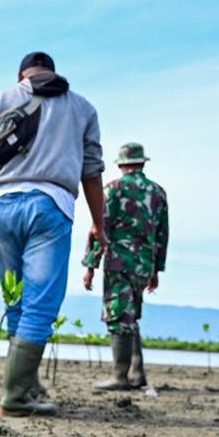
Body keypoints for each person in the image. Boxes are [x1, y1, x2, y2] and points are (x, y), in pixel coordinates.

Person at [0, 50, 104, 416]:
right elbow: (91, 172)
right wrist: (99, 225)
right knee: (40, 305)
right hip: (51, 203)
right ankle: (14, 397)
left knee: (16, 300)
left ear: (22, 77)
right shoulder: (82, 108)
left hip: (3, 206)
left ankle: (25, 384)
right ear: (51, 73)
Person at [82, 143, 168, 391]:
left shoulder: (114, 189)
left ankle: (120, 376)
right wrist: (155, 270)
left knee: (120, 316)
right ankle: (136, 372)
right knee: (131, 316)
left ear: (121, 164)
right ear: (142, 163)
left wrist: (90, 265)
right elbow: (163, 234)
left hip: (119, 262)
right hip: (144, 265)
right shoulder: (158, 192)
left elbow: (100, 229)